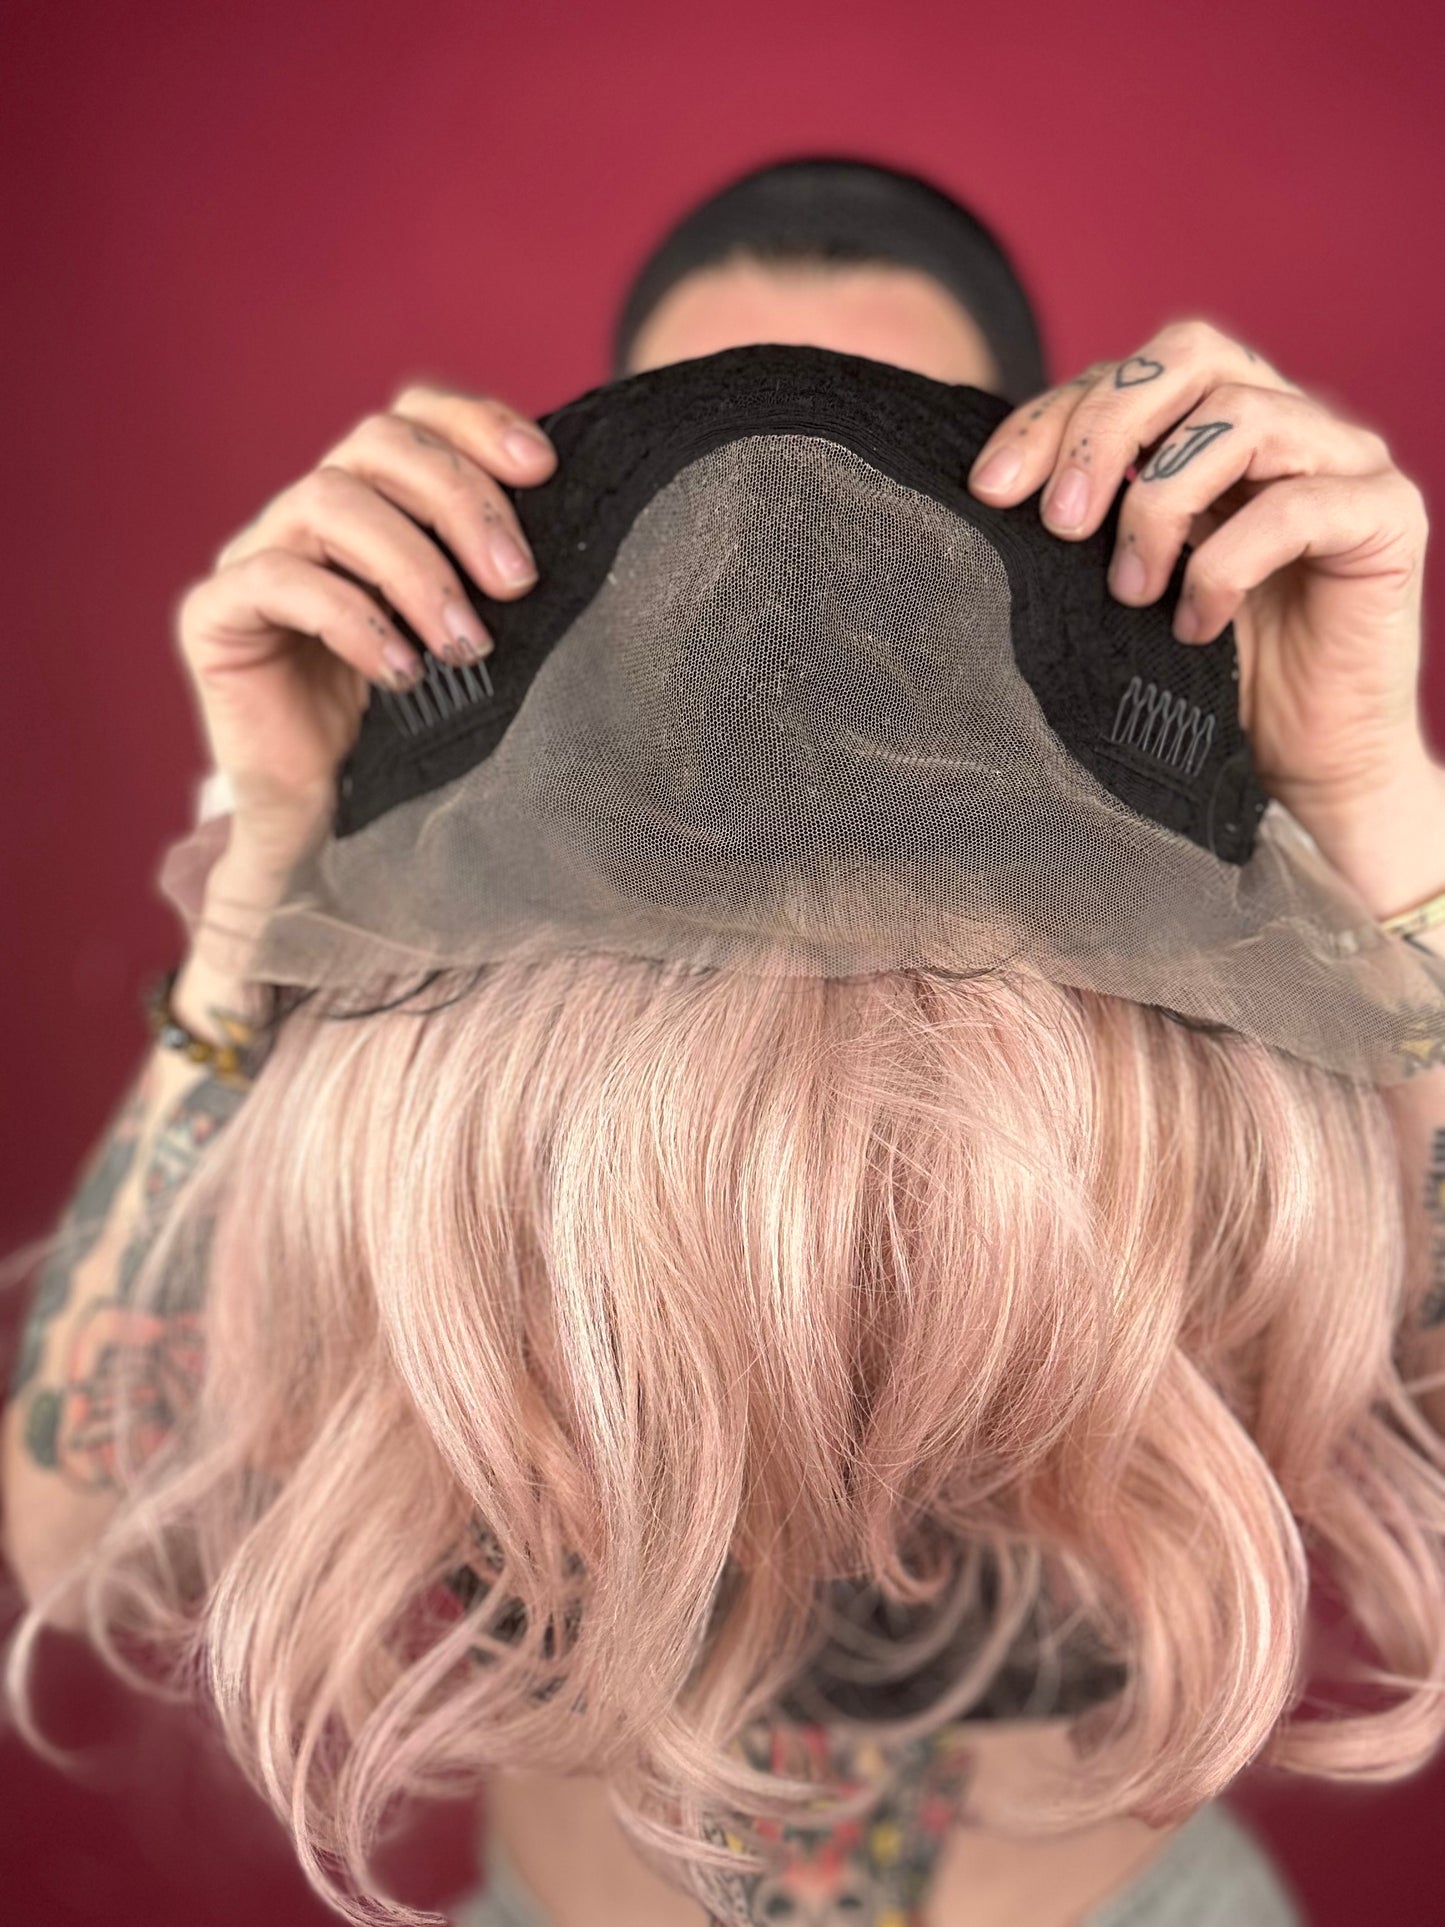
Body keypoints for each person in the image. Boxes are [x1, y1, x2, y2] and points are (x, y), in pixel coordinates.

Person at [5, 156, 1444, 1927]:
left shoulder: (1218, 971)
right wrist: (271, 873)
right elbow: (75, 1531)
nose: (787, 541)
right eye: (703, 453)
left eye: (891, 454)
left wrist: (1372, 800)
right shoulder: (442, 995)